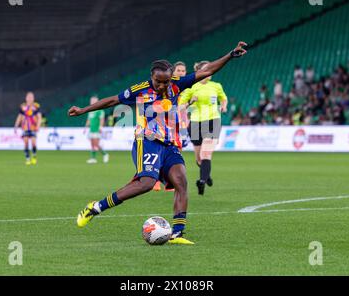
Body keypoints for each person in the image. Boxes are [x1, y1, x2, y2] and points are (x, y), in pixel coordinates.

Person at [68, 41, 247, 245]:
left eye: (166, 82)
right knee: (146, 183)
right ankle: (96, 207)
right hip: (148, 140)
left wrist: (230, 54)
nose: (162, 86)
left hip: (170, 143)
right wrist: (83, 110)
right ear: (152, 77)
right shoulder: (140, 89)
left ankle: (177, 233)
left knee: (181, 180)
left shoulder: (177, 84)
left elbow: (206, 71)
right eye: (158, 82)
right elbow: (112, 101)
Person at [179, 61, 228, 195]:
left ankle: (202, 180)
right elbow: (180, 107)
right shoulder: (191, 87)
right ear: (199, 72)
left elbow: (223, 98)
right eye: (206, 69)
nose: (209, 72)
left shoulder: (216, 86)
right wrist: (190, 102)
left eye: (210, 69)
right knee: (199, 159)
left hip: (213, 121)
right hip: (195, 124)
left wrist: (224, 106)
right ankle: (207, 175)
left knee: (206, 153)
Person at [153, 61, 188, 192]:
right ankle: (155, 179)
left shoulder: (186, 88)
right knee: (160, 151)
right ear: (173, 73)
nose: (181, 73)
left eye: (183, 71)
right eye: (178, 71)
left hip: (179, 123)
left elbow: (182, 108)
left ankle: (168, 181)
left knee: (177, 152)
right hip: (163, 123)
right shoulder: (166, 86)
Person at [14, 92, 41, 165]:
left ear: (33, 98)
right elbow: (19, 117)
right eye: (28, 97)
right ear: (26, 98)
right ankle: (27, 158)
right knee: (25, 143)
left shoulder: (36, 106)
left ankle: (34, 156)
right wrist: (16, 126)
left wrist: (38, 125)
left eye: (31, 97)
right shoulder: (23, 106)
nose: (29, 98)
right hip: (25, 127)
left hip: (33, 127)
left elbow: (39, 117)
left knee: (33, 143)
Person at [84, 96, 109, 164]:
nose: (91, 102)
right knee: (92, 144)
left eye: (93, 101)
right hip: (91, 129)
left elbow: (102, 119)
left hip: (96, 129)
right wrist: (85, 128)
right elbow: (89, 120)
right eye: (91, 100)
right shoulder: (90, 110)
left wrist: (100, 127)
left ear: (97, 101)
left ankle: (105, 154)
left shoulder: (100, 110)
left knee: (96, 145)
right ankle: (93, 158)